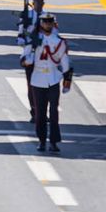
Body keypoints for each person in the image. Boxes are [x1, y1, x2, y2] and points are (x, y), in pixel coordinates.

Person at [29, 10, 73, 153]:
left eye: (49, 22)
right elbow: (25, 56)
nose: (47, 25)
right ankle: (41, 140)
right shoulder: (34, 39)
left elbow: (64, 60)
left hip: (53, 79)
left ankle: (53, 141)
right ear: (41, 23)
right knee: (40, 114)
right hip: (38, 79)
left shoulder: (58, 42)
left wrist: (67, 79)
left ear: (53, 24)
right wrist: (26, 58)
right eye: (45, 22)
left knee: (54, 112)